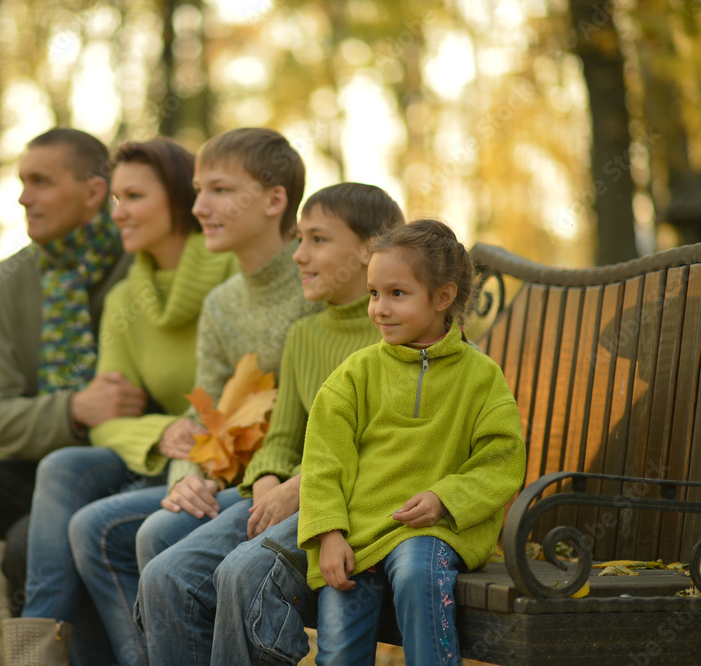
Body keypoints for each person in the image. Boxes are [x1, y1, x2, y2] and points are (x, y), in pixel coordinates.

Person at [67, 127, 321, 665]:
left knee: (158, 535)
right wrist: (189, 478)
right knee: (98, 525)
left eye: (220, 191)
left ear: (275, 200)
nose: (200, 205)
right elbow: (207, 409)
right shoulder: (223, 302)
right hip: (234, 477)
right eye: (199, 190)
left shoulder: (320, 283)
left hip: (297, 484)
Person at [135, 182, 405, 665]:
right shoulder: (303, 335)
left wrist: (297, 488)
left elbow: (387, 450)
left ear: (371, 249)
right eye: (299, 239)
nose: (299, 255)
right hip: (282, 494)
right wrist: (265, 483)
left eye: (318, 240)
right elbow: (280, 438)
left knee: (242, 573)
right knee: (165, 575)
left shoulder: (397, 335)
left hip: (345, 503)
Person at [0, 128, 144, 666]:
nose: (22, 197)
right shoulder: (10, 281)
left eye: (40, 182)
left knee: (24, 545)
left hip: (129, 464)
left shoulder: (140, 261)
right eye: (21, 182)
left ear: (93, 191)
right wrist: (74, 409)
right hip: (42, 465)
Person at [3, 137, 236, 665]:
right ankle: (35, 657)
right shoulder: (127, 296)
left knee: (90, 526)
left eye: (133, 196)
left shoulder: (228, 273)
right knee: (64, 464)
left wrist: (182, 428)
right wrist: (160, 432)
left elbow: (232, 389)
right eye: (116, 199)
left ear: (179, 202)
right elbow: (105, 416)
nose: (119, 212)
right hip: (162, 455)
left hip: (221, 461)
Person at [298, 219, 527, 664]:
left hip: (434, 529)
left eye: (397, 294)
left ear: (442, 297)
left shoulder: (481, 377)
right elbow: (324, 459)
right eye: (373, 293)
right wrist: (329, 534)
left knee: (417, 572)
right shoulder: (355, 374)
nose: (380, 308)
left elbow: (502, 460)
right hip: (359, 536)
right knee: (341, 642)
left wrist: (446, 497)